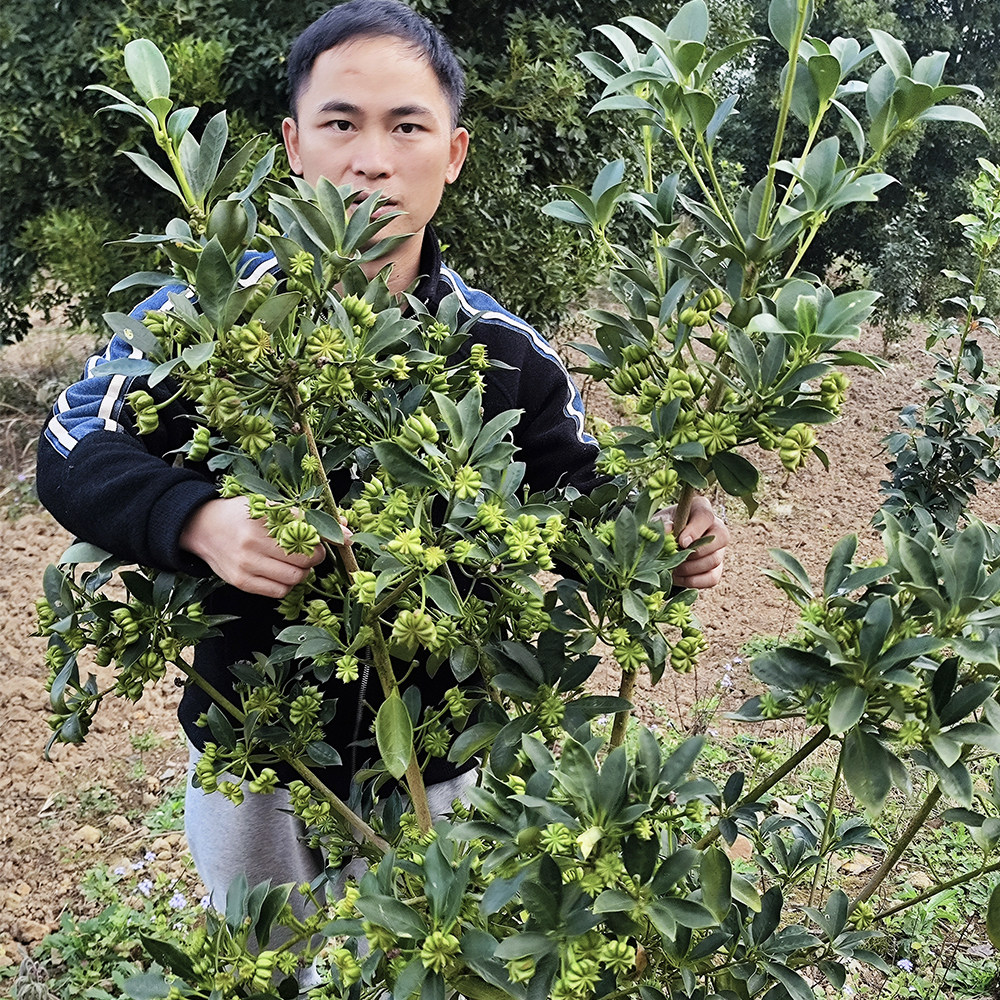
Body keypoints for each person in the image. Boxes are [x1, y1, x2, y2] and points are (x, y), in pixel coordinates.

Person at [37, 0, 728, 941]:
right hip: (260, 761)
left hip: (444, 768)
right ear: (293, 145)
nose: (372, 159)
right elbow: (73, 439)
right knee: (268, 958)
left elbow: (577, 497)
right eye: (340, 123)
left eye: (407, 127)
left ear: (454, 153)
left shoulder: (502, 351)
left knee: (432, 962)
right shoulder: (209, 319)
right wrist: (197, 520)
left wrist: (657, 544)